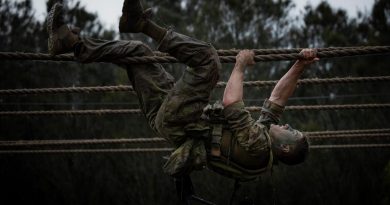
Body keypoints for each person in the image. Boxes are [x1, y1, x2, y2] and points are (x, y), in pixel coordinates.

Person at [47, 0, 318, 186]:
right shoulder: (261, 140)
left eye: (291, 131)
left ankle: (141, 24)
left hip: (181, 120)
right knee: (138, 53)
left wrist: (240, 66)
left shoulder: (259, 147)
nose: (286, 125)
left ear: (284, 147)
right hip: (173, 121)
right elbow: (277, 100)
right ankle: (71, 43)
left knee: (208, 61)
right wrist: (299, 65)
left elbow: (231, 101)